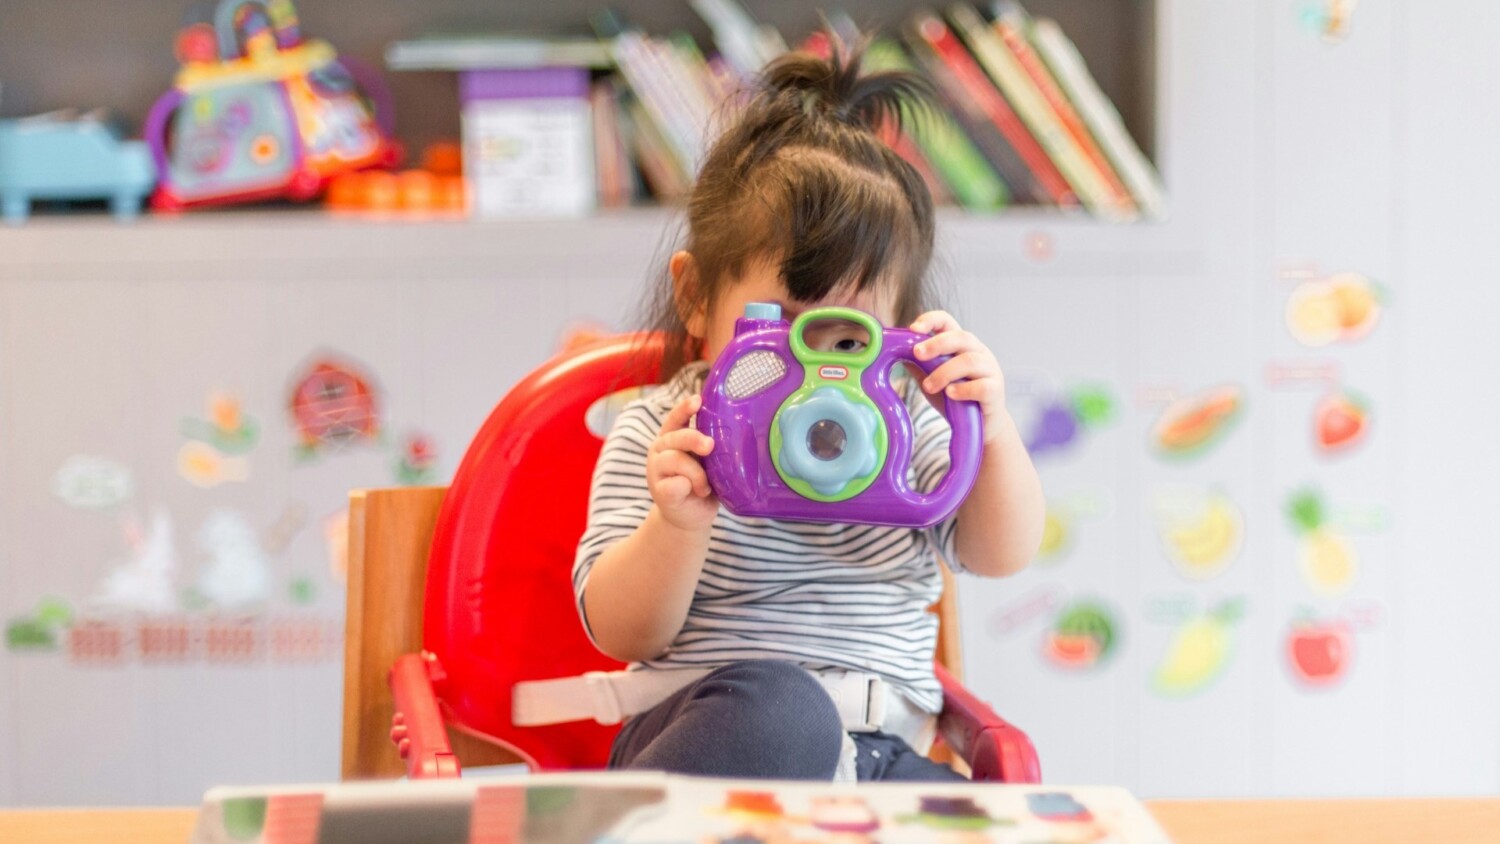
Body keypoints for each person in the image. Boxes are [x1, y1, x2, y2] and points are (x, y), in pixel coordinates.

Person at [572, 36, 1044, 782]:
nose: (814, 368)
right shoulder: (668, 434)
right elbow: (619, 628)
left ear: (896, 329)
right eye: (783, 324)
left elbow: (1001, 552)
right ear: (697, 297)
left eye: (846, 335)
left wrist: (989, 426)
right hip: (720, 736)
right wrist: (677, 524)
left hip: (882, 753)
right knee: (783, 711)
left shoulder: (906, 425)